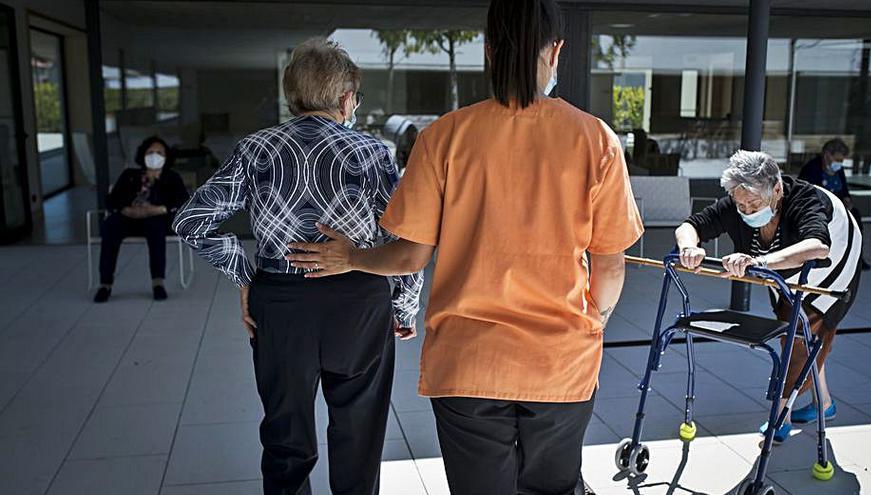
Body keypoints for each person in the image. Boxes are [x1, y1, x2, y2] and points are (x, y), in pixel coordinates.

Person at [285, 1, 644, 492]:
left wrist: (350, 256)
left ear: (489, 51)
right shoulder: (596, 139)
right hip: (559, 362)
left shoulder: (443, 138)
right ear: (556, 50)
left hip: (467, 363)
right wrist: (592, 321)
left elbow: (410, 256)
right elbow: (611, 267)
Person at [173, 39, 424, 495]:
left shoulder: (257, 149)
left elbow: (191, 220)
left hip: (281, 301)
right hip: (358, 299)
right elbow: (403, 239)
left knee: (286, 434)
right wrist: (404, 308)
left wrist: (245, 276)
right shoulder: (370, 152)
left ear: (292, 96)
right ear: (347, 98)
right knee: (358, 428)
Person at [677, 150, 862, 443]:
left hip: (835, 265)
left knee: (799, 336)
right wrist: (688, 247)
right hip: (785, 274)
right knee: (806, 336)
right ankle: (824, 404)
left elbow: (818, 246)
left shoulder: (804, 200)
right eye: (741, 205)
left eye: (753, 204)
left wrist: (759, 262)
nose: (747, 211)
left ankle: (780, 417)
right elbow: (691, 226)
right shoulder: (739, 202)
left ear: (777, 189)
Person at [94, 136, 189, 303]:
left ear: (166, 157)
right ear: (143, 155)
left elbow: (182, 199)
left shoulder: (172, 177)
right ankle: (105, 284)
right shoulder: (130, 174)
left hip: (157, 218)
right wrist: (125, 208)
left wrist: (160, 209)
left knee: (155, 226)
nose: (154, 155)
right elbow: (112, 199)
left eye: (159, 153)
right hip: (129, 217)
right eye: (150, 152)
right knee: (110, 226)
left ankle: (157, 282)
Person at [798, 138, 871, 270]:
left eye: (841, 161)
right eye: (837, 160)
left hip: (838, 206)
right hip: (817, 206)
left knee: (855, 217)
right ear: (827, 156)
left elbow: (844, 190)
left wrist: (847, 200)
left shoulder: (839, 170)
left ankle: (857, 257)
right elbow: (807, 192)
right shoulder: (812, 168)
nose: (839, 163)